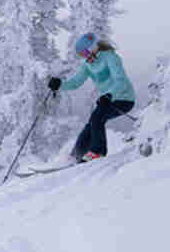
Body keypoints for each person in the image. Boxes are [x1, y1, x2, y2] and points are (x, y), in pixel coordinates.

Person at [48, 33, 136, 162]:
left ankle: (98, 151)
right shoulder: (88, 65)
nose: (84, 57)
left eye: (84, 52)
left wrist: (109, 94)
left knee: (97, 118)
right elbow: (75, 82)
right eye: (81, 55)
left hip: (124, 98)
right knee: (91, 123)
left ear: (93, 48)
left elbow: (120, 80)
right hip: (107, 100)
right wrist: (60, 84)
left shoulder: (110, 57)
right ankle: (75, 155)